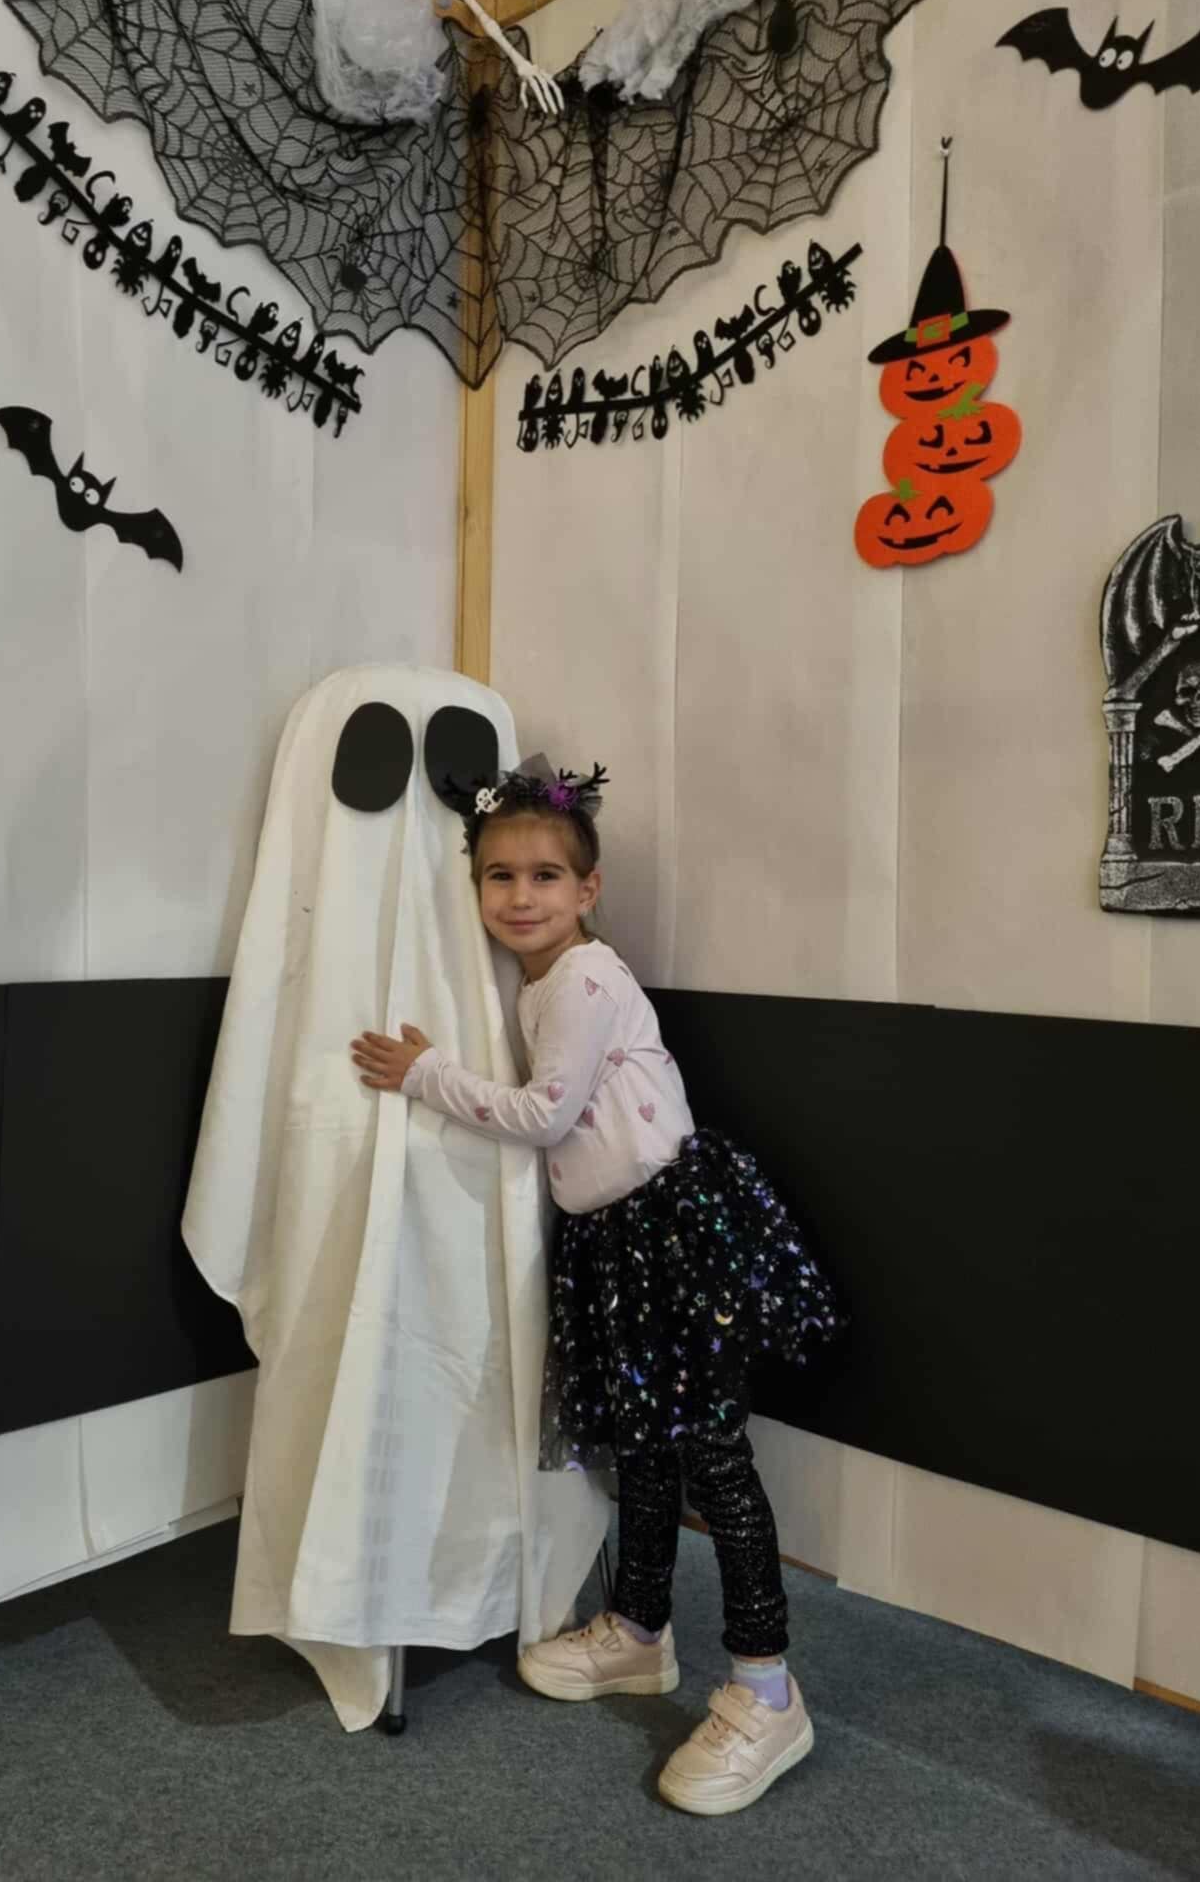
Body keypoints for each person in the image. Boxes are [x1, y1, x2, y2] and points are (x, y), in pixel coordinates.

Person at [352, 754, 842, 1815]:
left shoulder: (582, 979)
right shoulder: (539, 981)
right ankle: (639, 1629)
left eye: (544, 875)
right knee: (644, 1447)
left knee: (713, 1458)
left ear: (588, 888)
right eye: (499, 875)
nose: (520, 896)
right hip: (614, 1242)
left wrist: (428, 1074)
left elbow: (546, 1115)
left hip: (672, 1236)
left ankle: (767, 1686)